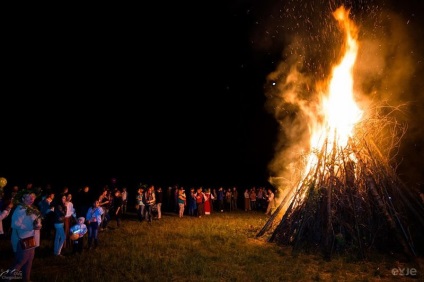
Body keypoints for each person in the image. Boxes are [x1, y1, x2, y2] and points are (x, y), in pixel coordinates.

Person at [9, 191, 42, 282]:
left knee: (29, 259)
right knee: (21, 261)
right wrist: (31, 227)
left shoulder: (32, 208)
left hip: (32, 237)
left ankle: (26, 279)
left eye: (33, 197)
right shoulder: (20, 209)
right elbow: (15, 224)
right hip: (25, 238)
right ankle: (6, 279)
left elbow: (36, 221)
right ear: (23, 199)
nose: (32, 199)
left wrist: (39, 225)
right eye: (29, 197)